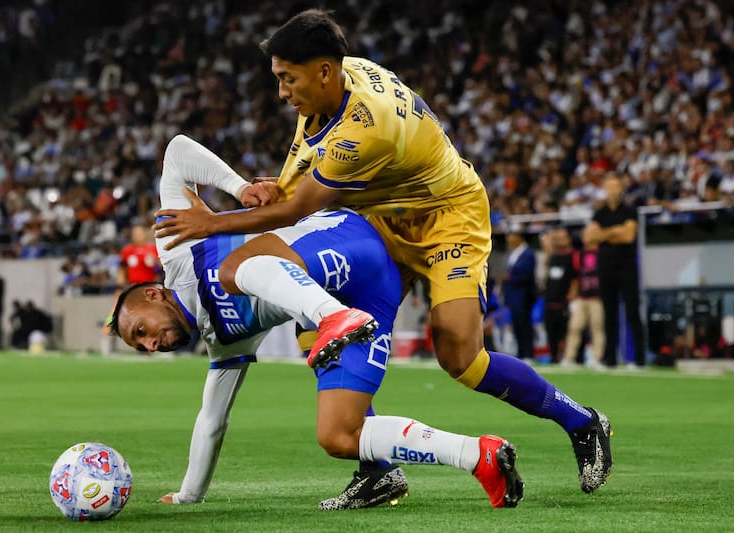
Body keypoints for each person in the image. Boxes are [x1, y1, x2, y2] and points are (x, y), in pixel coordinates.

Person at [152, 9, 611, 494]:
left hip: (445, 215)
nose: (282, 93)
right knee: (318, 325)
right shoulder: (331, 90)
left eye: (288, 79)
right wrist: (266, 189)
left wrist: (213, 222)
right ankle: (377, 471)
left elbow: (298, 209)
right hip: (381, 217)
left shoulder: (366, 126)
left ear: (323, 71)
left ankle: (582, 422)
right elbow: (299, 182)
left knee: (460, 356)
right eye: (278, 79)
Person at [110, 133, 524, 510]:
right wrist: (188, 495)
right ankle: (477, 455)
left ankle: (331, 317)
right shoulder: (223, 342)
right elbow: (211, 420)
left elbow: (177, 152)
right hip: (369, 290)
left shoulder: (178, 253)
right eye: (141, 345)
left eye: (140, 331)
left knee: (233, 271)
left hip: (348, 236)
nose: (149, 345)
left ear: (153, 294)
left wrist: (241, 189)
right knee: (339, 435)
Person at [587, 173, 646, 367]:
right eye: (609, 186)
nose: (612, 190)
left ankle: (639, 358)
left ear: (621, 188)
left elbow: (628, 236)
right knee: (609, 314)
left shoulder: (629, 210)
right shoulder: (600, 213)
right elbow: (589, 238)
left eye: (615, 186)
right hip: (606, 268)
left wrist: (604, 234)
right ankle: (610, 358)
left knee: (632, 312)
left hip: (627, 267)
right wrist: (615, 231)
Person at [563, 226, 606, 368]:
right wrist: (573, 293)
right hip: (582, 297)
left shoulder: (602, 253)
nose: (586, 237)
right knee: (574, 327)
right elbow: (576, 276)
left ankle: (597, 358)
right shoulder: (579, 254)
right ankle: (569, 358)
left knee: (597, 328)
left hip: (597, 297)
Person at [502, 229, 537, 361]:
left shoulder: (528, 253)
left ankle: (528, 353)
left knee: (524, 324)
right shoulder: (512, 253)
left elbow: (526, 273)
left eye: (511, 235)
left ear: (519, 237)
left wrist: (508, 277)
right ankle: (521, 352)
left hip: (523, 295)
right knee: (516, 325)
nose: (508, 239)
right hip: (512, 295)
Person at [542, 228, 576, 363]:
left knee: (566, 332)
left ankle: (568, 357)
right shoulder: (553, 257)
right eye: (558, 238)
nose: (560, 240)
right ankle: (553, 357)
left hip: (564, 302)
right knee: (551, 331)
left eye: (563, 237)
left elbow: (575, 278)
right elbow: (545, 240)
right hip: (550, 300)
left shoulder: (573, 256)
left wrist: (573, 293)